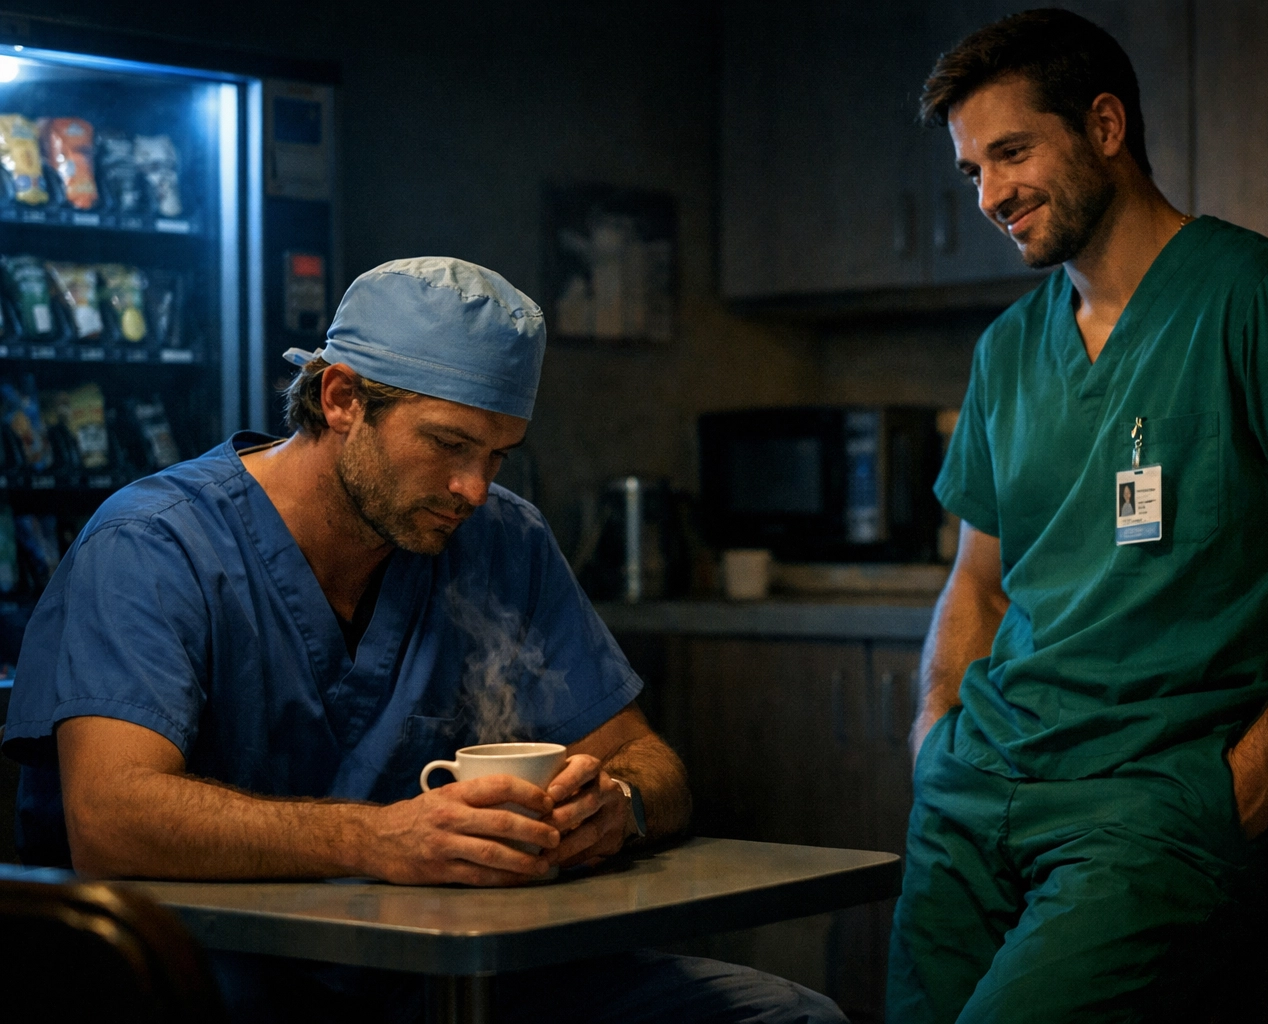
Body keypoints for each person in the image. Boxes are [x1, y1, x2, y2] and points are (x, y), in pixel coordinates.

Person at [2, 257, 847, 1024]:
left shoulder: (499, 540)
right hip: (214, 977)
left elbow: (649, 762)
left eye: (499, 456)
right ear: (340, 400)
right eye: (447, 445)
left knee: (782, 1017)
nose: (474, 488)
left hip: (442, 969)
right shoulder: (155, 545)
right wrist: (380, 840)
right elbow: (110, 818)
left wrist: (614, 809)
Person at [891, 10, 1268, 1023]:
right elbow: (979, 578)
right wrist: (936, 731)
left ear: (1105, 126)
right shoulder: (1008, 351)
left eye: (1012, 151)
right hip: (975, 793)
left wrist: (1258, 773)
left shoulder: (1258, 299)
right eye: (972, 171)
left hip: (1147, 809)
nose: (991, 194)